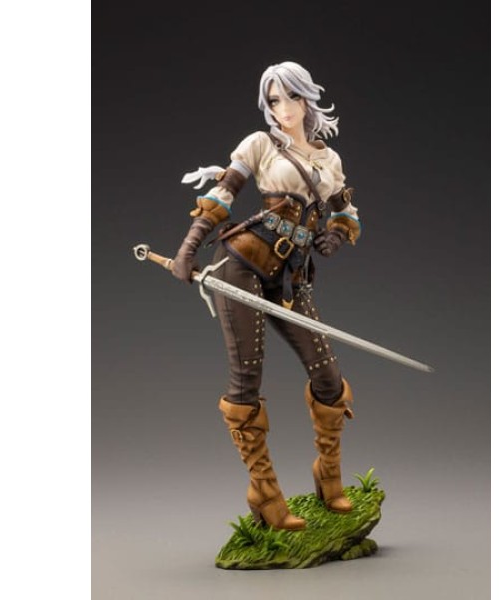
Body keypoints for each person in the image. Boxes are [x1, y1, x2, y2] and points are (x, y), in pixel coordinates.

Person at [171, 61, 362, 531]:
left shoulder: (329, 160)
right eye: (274, 100)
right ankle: (265, 491)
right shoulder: (260, 144)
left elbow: (346, 213)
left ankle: (328, 475)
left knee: (329, 379)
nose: (283, 108)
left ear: (307, 98)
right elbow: (223, 195)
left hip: (291, 278)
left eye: (290, 97)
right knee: (246, 381)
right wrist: (189, 246)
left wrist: (335, 236)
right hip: (244, 264)